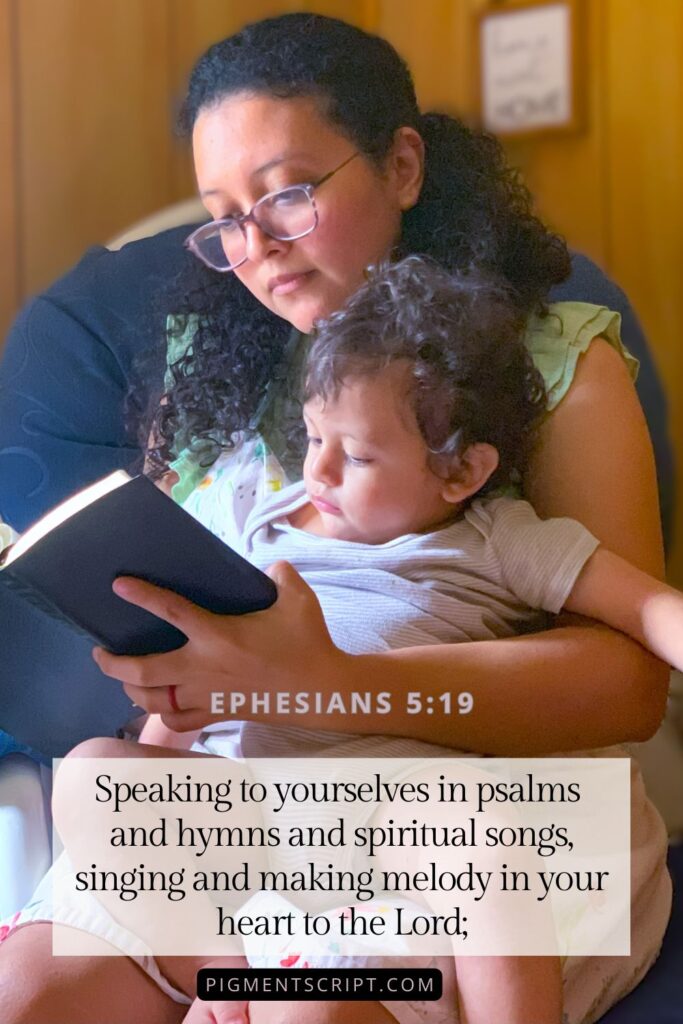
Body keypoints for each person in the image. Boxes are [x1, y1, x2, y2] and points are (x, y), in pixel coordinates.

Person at [0, 12, 672, 1024]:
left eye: (285, 195)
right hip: (245, 804)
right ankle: (229, 967)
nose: (255, 246)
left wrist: (330, 687)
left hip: (456, 818)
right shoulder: (215, 386)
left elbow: (627, 685)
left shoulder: (556, 365)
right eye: (227, 217)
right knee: (33, 989)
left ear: (402, 166)